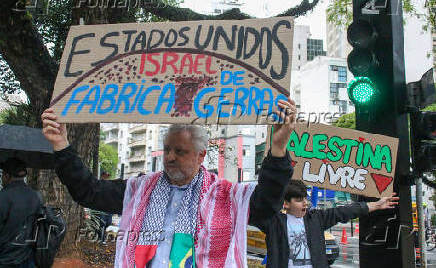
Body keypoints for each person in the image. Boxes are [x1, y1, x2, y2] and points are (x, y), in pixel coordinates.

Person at [41, 97, 297, 268]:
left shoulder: (226, 195)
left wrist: (277, 148)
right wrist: (61, 146)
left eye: (180, 151)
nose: (170, 157)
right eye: (167, 150)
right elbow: (88, 192)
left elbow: (267, 203)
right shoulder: (139, 190)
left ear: (201, 155)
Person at [250, 179, 399, 268]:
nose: (305, 203)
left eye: (305, 199)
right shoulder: (273, 223)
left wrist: (377, 205)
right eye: (299, 200)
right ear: (285, 204)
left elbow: (345, 211)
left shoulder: (316, 218)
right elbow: (252, 211)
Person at [0, 158, 41, 268]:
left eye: (2, 175)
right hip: (29, 257)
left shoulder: (3, 196)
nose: (2, 178)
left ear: (7, 176)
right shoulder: (36, 196)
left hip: (6, 259)